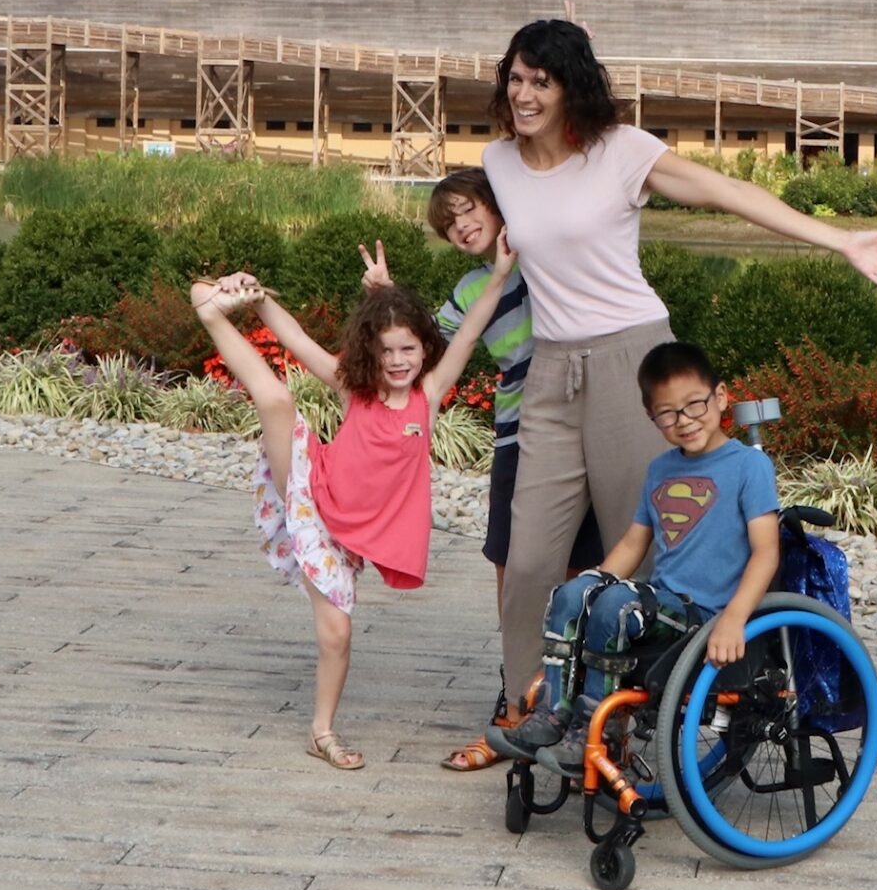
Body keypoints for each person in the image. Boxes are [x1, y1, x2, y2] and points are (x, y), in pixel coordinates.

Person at [478, 18, 877, 722]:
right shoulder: (499, 162)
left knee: (642, 548)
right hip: (551, 373)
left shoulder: (621, 152)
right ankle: (528, 710)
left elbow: (725, 193)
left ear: (571, 87)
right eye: (515, 78)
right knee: (528, 560)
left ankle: (636, 713)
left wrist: (839, 240)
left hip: (630, 359)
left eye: (541, 80)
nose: (523, 93)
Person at [192, 233, 511, 773]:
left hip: (351, 536)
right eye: (386, 350)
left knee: (337, 636)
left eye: (408, 349)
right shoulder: (353, 387)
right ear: (370, 351)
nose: (397, 360)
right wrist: (259, 296)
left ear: (425, 350)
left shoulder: (427, 396)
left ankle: (321, 732)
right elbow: (294, 339)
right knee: (275, 398)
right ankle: (211, 311)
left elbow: (471, 332)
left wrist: (500, 275)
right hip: (315, 493)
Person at [360, 168, 601, 771]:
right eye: (448, 223)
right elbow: (423, 350)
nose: (461, 226)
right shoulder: (473, 288)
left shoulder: (545, 256)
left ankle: (580, 707)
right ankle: (516, 701)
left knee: (582, 568)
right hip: (519, 434)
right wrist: (381, 297)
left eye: (469, 211)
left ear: (497, 207)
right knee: (511, 564)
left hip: (584, 426)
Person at [504, 341, 778, 760]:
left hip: (705, 614)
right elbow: (634, 543)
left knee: (617, 605)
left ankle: (601, 726)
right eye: (667, 414)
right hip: (664, 605)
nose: (683, 421)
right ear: (652, 418)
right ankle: (556, 709)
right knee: (572, 593)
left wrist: (734, 619)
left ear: (720, 396)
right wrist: (589, 589)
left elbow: (766, 552)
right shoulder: (661, 470)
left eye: (694, 405)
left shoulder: (748, 467)